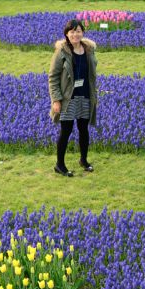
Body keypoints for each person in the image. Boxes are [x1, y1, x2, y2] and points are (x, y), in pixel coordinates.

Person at [49, 19, 98, 177]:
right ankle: (59, 165)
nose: (75, 34)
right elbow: (53, 77)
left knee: (84, 129)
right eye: (72, 31)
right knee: (66, 130)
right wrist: (56, 99)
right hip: (68, 97)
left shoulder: (88, 50)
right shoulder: (61, 52)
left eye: (78, 31)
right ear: (67, 34)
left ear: (82, 32)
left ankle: (83, 160)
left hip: (84, 95)